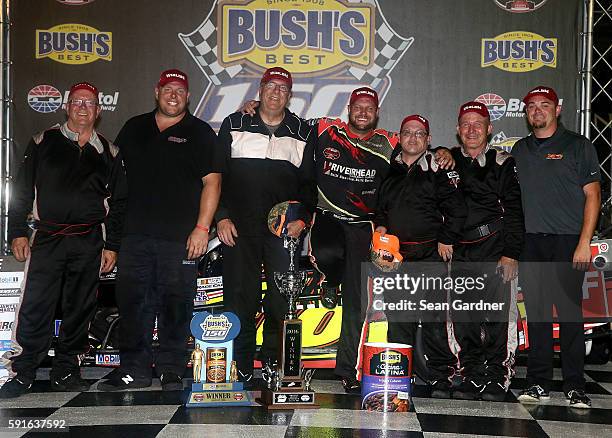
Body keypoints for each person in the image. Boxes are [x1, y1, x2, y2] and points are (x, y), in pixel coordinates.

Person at [240, 86, 454, 393]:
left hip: (363, 227)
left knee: (358, 302)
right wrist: (255, 106)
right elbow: (281, 117)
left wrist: (444, 152)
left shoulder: (390, 141)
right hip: (326, 218)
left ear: (377, 113)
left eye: (369, 108)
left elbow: (415, 146)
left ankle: (348, 370)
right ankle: (330, 279)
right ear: (349, 109)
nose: (363, 112)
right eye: (358, 107)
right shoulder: (326, 127)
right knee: (325, 253)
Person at [98, 69, 223, 391]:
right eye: (168, 89)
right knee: (133, 304)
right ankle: (134, 370)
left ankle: (170, 368)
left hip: (180, 238)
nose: (173, 95)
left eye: (180, 91)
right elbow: (114, 183)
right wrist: (111, 238)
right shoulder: (134, 128)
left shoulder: (201, 133)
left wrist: (201, 228)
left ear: (188, 96)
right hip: (134, 234)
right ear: (157, 91)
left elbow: (213, 182)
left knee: (176, 303)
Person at [1, 82, 126, 398]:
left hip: (88, 241)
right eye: (77, 101)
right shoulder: (43, 141)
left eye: (90, 103)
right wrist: (17, 231)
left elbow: (120, 204)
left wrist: (111, 245)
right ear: (66, 106)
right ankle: (23, 371)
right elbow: (22, 190)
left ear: (98, 112)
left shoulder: (109, 152)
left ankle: (66, 371)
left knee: (80, 308)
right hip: (46, 238)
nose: (83, 107)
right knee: (35, 305)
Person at [215, 67, 317, 388]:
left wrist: (303, 218)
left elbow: (309, 185)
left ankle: (275, 365)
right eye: (270, 86)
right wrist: (221, 216)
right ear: (260, 89)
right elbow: (216, 175)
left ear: (290, 95)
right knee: (239, 297)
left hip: (283, 230)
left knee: (279, 299)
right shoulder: (234, 123)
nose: (276, 93)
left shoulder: (303, 131)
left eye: (282, 88)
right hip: (238, 227)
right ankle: (240, 366)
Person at [513, 86, 600, 409]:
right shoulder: (520, 150)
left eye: (544, 105)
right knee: (536, 316)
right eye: (531, 106)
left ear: (557, 109)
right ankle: (538, 382)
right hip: (531, 242)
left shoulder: (578, 146)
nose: (537, 111)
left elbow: (593, 196)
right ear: (526, 113)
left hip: (568, 242)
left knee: (569, 316)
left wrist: (583, 243)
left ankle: (575, 386)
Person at [374, 114, 467, 398]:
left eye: (419, 134)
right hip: (396, 258)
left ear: (428, 139)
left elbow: (457, 209)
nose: (412, 138)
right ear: (399, 137)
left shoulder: (439, 166)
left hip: (430, 255)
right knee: (398, 319)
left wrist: (446, 239)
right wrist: (380, 228)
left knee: (434, 320)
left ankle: (441, 376)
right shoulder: (389, 169)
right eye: (407, 132)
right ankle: (402, 374)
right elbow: (381, 210)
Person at [450, 101, 524, 401]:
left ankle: (497, 376)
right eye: (466, 124)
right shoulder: (447, 160)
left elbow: (516, 211)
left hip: (495, 248)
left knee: (497, 318)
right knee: (464, 317)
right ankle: (470, 374)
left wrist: (511, 253)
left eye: (478, 124)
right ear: (457, 130)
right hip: (459, 251)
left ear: (489, 128)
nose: (471, 129)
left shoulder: (503, 162)